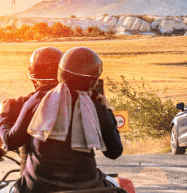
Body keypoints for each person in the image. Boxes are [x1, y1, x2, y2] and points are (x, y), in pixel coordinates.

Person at [20, 47, 123, 192]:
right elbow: (114, 152)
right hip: (87, 187)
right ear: (93, 80)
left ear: (60, 72)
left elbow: (11, 139)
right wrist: (107, 111)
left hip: (37, 187)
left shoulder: (35, 102)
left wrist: (3, 118)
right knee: (119, 185)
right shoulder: (96, 109)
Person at [0, 46, 64, 163]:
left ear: (32, 77)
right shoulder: (82, 102)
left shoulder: (22, 105)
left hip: (35, 178)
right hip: (81, 178)